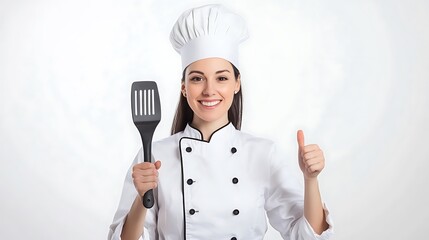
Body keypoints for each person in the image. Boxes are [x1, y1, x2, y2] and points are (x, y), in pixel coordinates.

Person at [109, 4, 333, 240]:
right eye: (197, 78)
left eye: (222, 78)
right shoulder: (153, 156)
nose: (209, 90)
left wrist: (310, 180)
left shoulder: (263, 153)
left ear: (237, 83)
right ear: (184, 87)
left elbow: (307, 236)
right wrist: (141, 198)